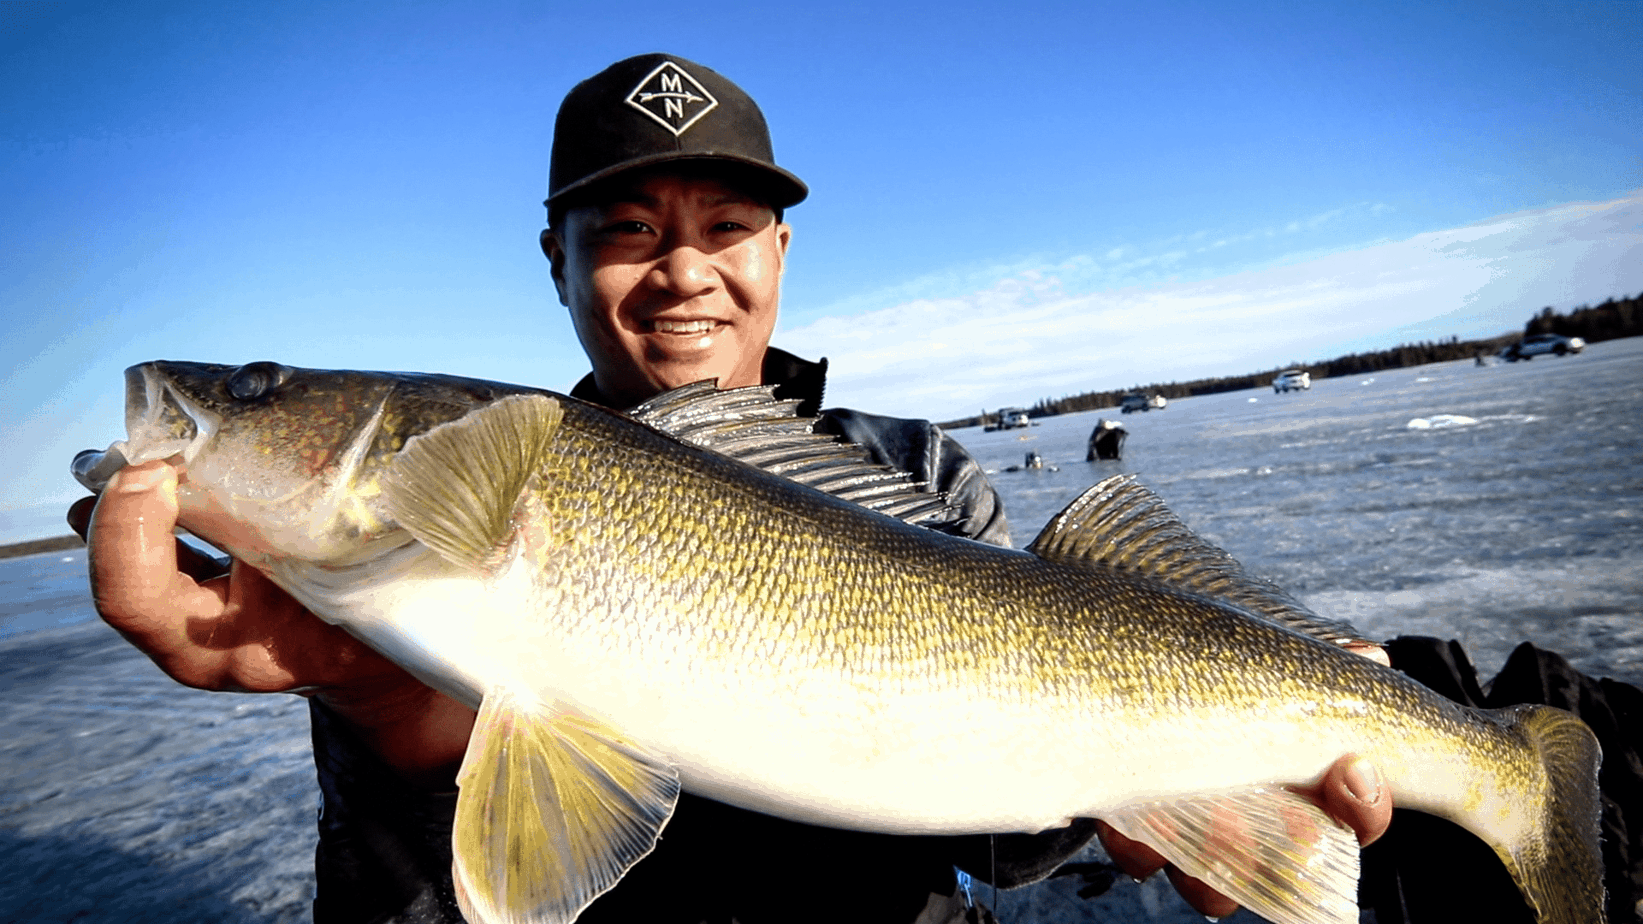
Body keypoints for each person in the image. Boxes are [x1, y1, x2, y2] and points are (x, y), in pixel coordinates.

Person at [70, 53, 1395, 923]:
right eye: (628, 232)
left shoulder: (917, 473)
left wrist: (1214, 786)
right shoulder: (405, 572)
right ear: (555, 259)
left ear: (780, 249)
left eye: (725, 228)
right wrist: (379, 709)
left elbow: (1010, 849)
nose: (684, 273)